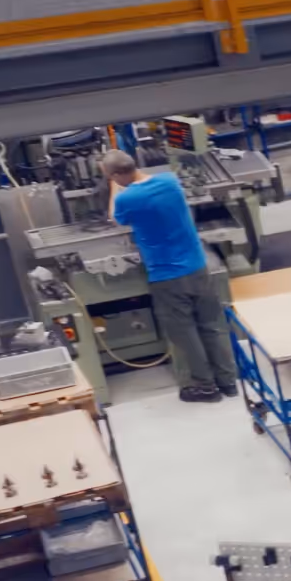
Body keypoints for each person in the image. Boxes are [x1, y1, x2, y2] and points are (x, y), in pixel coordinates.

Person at [103, 150, 233, 403]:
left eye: (111, 176)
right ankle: (228, 382)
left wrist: (112, 185)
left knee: (185, 332)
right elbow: (146, 181)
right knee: (211, 325)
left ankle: (206, 387)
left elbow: (114, 219)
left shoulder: (126, 198)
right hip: (198, 266)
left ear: (116, 174)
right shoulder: (170, 180)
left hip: (167, 276)